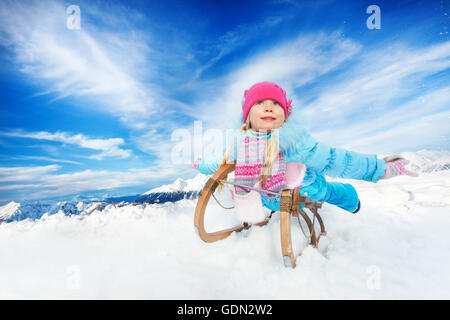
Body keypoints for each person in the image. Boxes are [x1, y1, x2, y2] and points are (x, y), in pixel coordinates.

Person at [188, 81, 418, 214]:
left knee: (328, 192)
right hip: (270, 198)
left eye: (275, 104)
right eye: (260, 103)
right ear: (247, 116)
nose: (268, 108)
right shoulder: (241, 143)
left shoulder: (295, 143)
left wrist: (378, 168)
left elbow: (335, 159)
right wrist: (201, 164)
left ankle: (349, 196)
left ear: (285, 115)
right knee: (247, 187)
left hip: (306, 188)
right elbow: (221, 159)